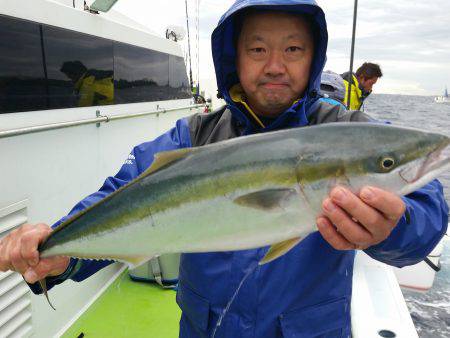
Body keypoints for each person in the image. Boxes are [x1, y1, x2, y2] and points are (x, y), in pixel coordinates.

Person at [0, 1, 448, 337]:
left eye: (293, 48)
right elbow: (122, 193)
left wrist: (393, 225)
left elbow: (426, 213)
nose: (275, 65)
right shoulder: (193, 134)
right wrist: (63, 251)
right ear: (236, 57)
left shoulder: (347, 130)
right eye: (258, 49)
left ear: (313, 58)